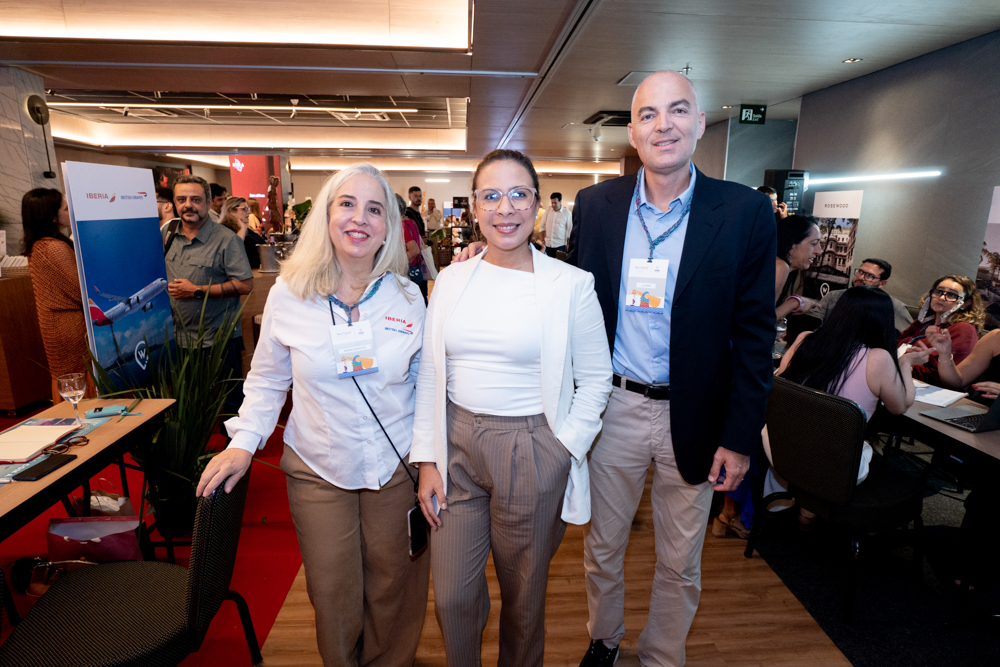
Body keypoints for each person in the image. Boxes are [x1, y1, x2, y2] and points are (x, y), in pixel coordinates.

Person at [567, 71, 776, 667]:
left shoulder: (742, 212)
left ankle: (663, 656)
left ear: (700, 123)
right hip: (615, 407)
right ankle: (604, 640)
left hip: (698, 414)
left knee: (680, 558)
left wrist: (739, 438)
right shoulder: (597, 206)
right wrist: (499, 258)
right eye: (650, 114)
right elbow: (572, 295)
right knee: (603, 545)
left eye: (678, 110)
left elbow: (756, 335)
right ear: (632, 131)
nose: (665, 125)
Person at [196, 163, 429, 667]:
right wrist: (244, 440)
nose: (359, 218)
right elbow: (267, 378)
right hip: (319, 467)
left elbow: (425, 386)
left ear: (389, 224)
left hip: (395, 466)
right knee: (334, 592)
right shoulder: (290, 293)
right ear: (326, 216)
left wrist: (429, 460)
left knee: (395, 586)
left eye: (374, 208)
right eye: (347, 204)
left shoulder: (408, 298)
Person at [411, 149, 612, 667]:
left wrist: (561, 448)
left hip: (532, 446)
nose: (506, 208)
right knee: (453, 595)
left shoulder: (571, 285)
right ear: (474, 206)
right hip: (455, 444)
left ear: (538, 205)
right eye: (492, 195)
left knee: (524, 601)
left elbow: (595, 381)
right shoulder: (453, 279)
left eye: (519, 194)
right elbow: (433, 371)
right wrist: (428, 458)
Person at [765, 287, 930, 509]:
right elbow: (899, 406)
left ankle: (797, 509)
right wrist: (906, 364)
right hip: (834, 467)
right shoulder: (878, 358)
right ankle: (810, 511)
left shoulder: (806, 339)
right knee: (867, 448)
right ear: (882, 320)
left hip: (783, 449)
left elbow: (782, 385)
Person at [164, 175, 253, 419]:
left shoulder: (227, 240)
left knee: (231, 401)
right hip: (179, 338)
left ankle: (235, 449)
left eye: (195, 199)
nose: (188, 205)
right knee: (190, 403)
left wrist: (197, 289)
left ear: (208, 202)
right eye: (181, 199)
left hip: (219, 338)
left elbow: (245, 284)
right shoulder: (168, 234)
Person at [21, 188, 93, 403]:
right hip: (68, 326)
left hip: (58, 324)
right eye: (66, 208)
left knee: (67, 376)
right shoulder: (53, 248)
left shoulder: (41, 245)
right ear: (52, 216)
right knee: (76, 377)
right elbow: (79, 290)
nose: (70, 211)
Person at [897, 275, 983, 385]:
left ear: (966, 303)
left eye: (951, 294)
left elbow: (937, 375)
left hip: (926, 388)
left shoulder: (964, 329)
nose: (941, 298)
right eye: (939, 292)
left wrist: (902, 366)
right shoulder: (923, 322)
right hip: (900, 377)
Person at [808, 258, 912, 333]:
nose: (861, 277)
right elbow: (811, 325)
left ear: (882, 283)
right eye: (860, 272)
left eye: (870, 276)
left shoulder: (895, 307)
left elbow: (907, 340)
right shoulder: (834, 296)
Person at [775, 214, 821, 320]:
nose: (819, 251)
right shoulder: (779, 266)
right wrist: (793, 303)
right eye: (814, 244)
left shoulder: (794, 272)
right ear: (792, 244)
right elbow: (758, 322)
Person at [219, 196, 267, 270]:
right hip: (244, 275)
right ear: (232, 212)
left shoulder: (245, 228)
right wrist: (243, 228)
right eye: (244, 209)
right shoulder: (225, 230)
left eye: (248, 208)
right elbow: (235, 249)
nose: (249, 212)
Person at [397, 193, 428, 303]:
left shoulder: (402, 225)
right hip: (417, 268)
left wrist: (398, 263)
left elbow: (414, 250)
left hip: (410, 270)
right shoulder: (411, 222)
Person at [537, 191, 573, 258]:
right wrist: (542, 240)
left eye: (555, 203)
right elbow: (541, 226)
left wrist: (568, 244)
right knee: (548, 264)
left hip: (560, 245)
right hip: (548, 244)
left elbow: (570, 230)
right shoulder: (548, 211)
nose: (553, 205)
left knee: (559, 265)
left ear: (560, 201)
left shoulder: (567, 213)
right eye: (552, 202)